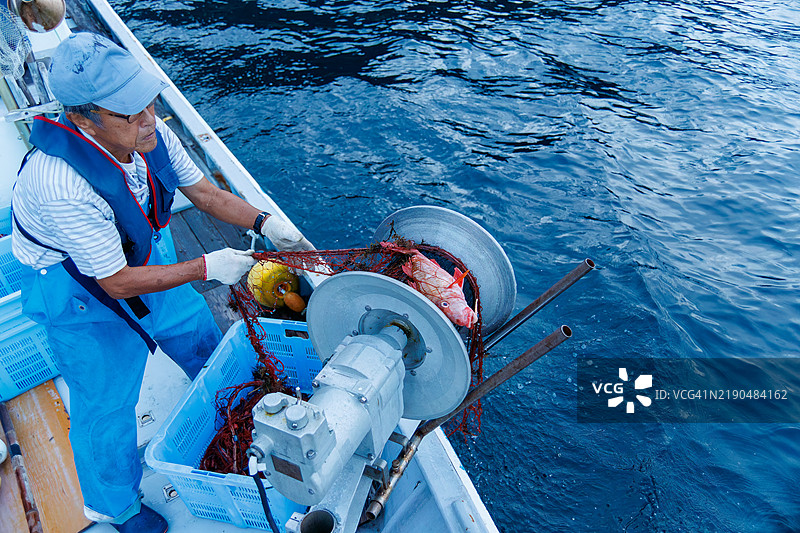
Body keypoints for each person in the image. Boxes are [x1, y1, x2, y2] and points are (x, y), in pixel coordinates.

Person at [11, 32, 312, 533]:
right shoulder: (58, 182)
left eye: (148, 103)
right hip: (80, 295)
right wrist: (205, 269)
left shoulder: (151, 136)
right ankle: (118, 508)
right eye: (128, 113)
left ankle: (233, 417)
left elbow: (208, 196)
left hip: (146, 258)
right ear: (83, 118)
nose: (148, 119)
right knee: (105, 405)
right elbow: (115, 283)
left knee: (205, 346)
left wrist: (265, 223)